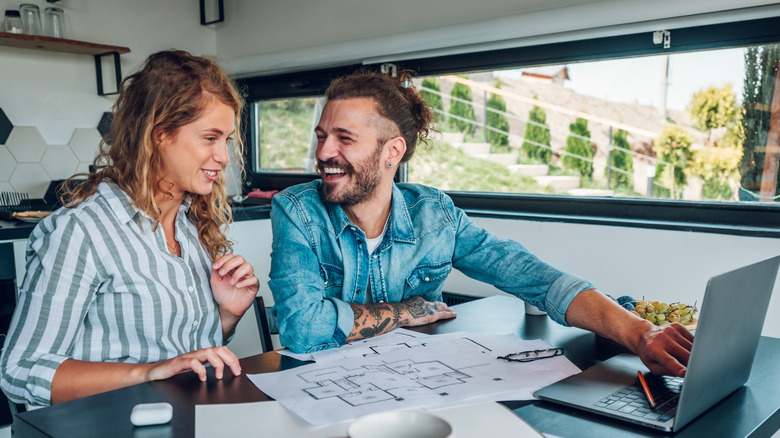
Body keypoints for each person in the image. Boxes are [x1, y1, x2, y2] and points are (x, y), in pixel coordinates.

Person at [268, 70, 693, 377]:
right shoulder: (297, 210)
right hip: (319, 394)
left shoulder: (435, 215)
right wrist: (403, 311)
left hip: (419, 385)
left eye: (344, 138)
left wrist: (640, 333)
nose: (323, 152)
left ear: (391, 152)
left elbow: (536, 278)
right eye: (322, 136)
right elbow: (303, 330)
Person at [0, 50, 259, 406]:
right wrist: (148, 372)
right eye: (210, 138)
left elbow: (183, 356)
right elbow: (19, 369)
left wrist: (227, 315)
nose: (224, 156)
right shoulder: (81, 232)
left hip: (182, 419)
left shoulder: (188, 225)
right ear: (160, 135)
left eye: (227, 140)